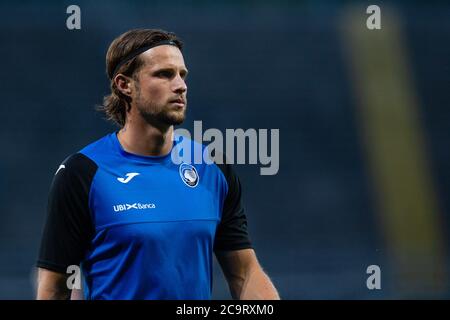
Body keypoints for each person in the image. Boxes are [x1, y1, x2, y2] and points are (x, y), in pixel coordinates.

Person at [36, 28, 279, 300]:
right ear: (124, 84)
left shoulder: (212, 167)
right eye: (164, 74)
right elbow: (56, 288)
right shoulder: (82, 173)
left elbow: (245, 273)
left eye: (182, 75)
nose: (180, 85)